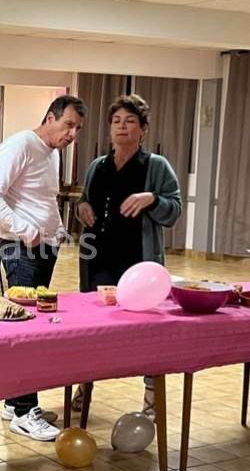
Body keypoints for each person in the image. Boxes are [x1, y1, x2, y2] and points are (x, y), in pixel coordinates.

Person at [0, 94, 85, 441]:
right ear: (50, 118)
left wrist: (56, 232)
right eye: (69, 125)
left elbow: (42, 201)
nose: (73, 134)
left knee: (34, 325)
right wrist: (25, 232)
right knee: (26, 331)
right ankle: (26, 412)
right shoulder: (21, 145)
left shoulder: (51, 154)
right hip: (21, 250)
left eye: (78, 128)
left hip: (44, 248)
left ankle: (14, 402)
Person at [75, 94, 183, 416]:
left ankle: (151, 398)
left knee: (147, 331)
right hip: (98, 260)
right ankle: (85, 385)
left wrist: (152, 199)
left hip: (140, 264)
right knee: (92, 328)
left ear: (143, 129)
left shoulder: (156, 167)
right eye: (116, 121)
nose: (122, 127)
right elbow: (84, 200)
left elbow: (173, 210)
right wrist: (82, 207)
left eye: (130, 121)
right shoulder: (98, 166)